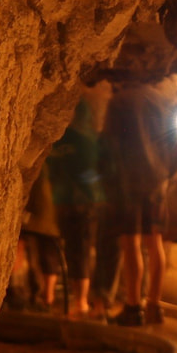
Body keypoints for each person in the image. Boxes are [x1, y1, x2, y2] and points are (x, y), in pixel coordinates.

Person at [102, 81, 177, 325]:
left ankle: (132, 306)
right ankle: (154, 306)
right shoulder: (165, 101)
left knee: (131, 243)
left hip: (128, 183)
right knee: (155, 241)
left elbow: (109, 144)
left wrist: (109, 180)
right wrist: (168, 175)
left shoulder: (121, 101)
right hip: (157, 183)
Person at [44, 99, 105, 317]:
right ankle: (81, 302)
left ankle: (64, 298)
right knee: (82, 251)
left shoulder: (62, 138)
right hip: (86, 203)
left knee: (65, 249)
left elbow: (50, 165)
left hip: (61, 201)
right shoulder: (91, 140)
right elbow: (101, 170)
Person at [20, 163, 64, 309]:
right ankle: (46, 297)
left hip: (39, 212)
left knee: (39, 253)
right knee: (47, 255)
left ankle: (39, 295)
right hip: (51, 214)